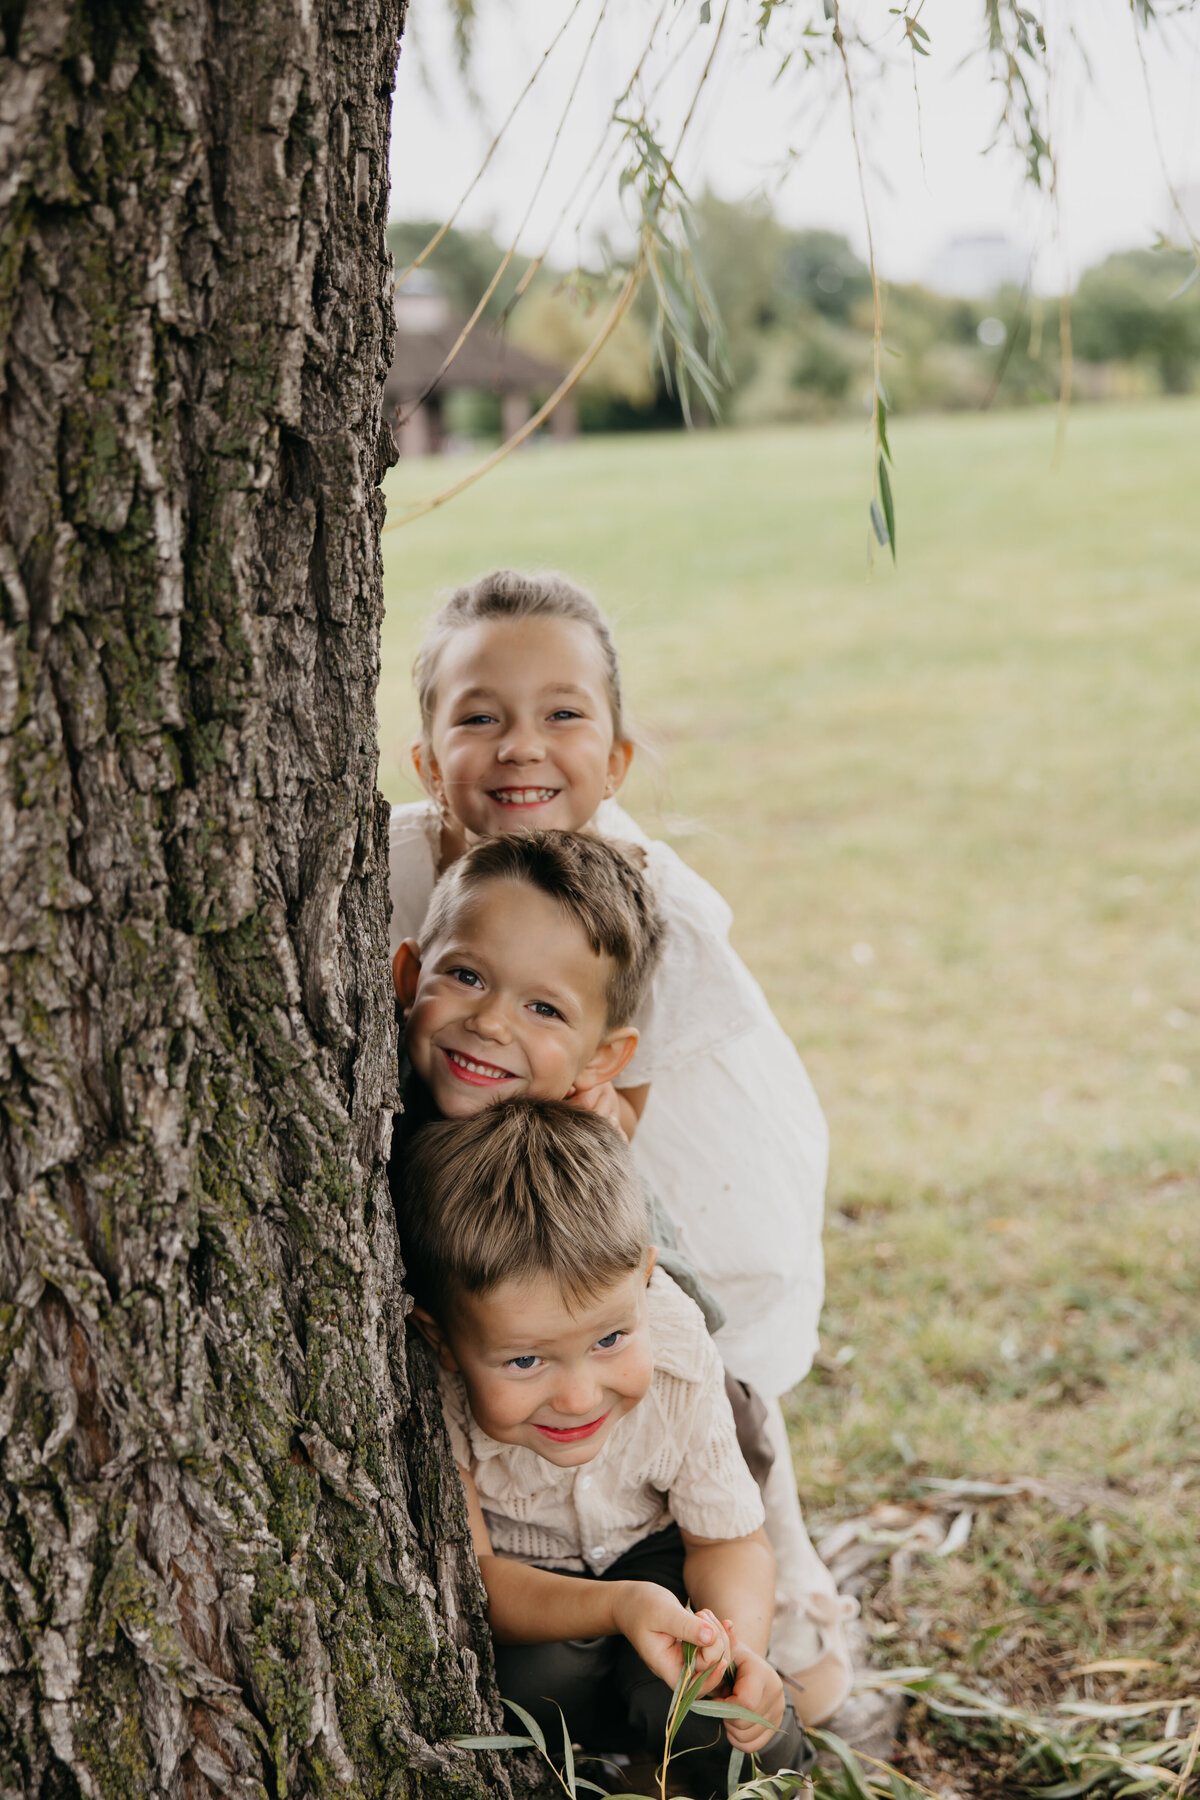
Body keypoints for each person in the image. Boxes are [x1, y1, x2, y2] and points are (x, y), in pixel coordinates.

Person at [387, 570, 855, 1719]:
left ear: (617, 759)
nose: (520, 747)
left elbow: (615, 1111)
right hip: (466, 1156)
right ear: (425, 754)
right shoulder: (389, 867)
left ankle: (790, 1612)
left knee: (698, 1349)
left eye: (562, 715)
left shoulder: (650, 902)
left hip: (607, 1157)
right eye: (479, 716)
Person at [395, 1098, 813, 1796]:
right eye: (526, 1362)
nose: (580, 1397)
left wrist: (737, 1651)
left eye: (610, 1340)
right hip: (537, 1589)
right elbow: (483, 1577)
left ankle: (690, 1769)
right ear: (441, 1341)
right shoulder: (432, 1394)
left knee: (716, 1708)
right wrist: (620, 1605)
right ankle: (594, 1771)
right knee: (534, 1682)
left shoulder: (678, 1348)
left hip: (664, 1555)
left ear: (646, 1279)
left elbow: (729, 1542)